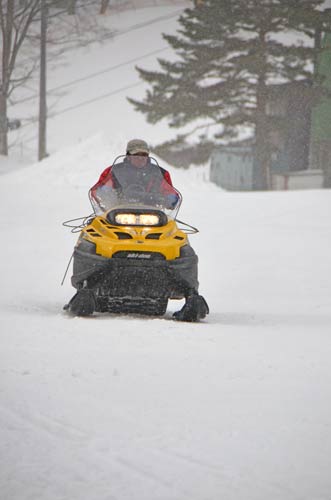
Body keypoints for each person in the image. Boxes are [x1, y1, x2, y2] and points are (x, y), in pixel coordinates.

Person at [90, 139, 179, 210]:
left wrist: (169, 199)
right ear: (128, 156)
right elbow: (100, 190)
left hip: (152, 214)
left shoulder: (160, 173)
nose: (140, 158)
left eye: (144, 155)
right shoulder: (113, 171)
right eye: (136, 155)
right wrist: (107, 194)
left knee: (173, 231)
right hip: (118, 212)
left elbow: (170, 192)